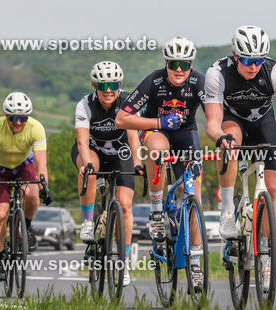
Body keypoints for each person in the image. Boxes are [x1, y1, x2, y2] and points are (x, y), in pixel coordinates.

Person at [204, 25, 276, 293]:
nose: (254, 66)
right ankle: (228, 208)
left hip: (263, 122)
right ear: (234, 55)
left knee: (273, 189)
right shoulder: (218, 73)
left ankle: (266, 256)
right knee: (230, 142)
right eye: (248, 60)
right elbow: (212, 123)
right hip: (232, 120)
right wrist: (222, 138)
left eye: (259, 60)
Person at [114, 37, 207, 290]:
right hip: (157, 131)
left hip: (187, 133)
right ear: (166, 64)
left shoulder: (198, 82)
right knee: (156, 150)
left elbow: (214, 115)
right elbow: (122, 119)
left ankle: (196, 262)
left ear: (191, 65)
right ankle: (156, 210)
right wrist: (158, 123)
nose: (179, 69)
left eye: (185, 64)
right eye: (174, 64)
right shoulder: (154, 81)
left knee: (193, 196)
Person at [73, 61, 144, 287]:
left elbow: (134, 138)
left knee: (124, 205)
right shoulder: (84, 105)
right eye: (103, 85)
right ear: (95, 86)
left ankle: (123, 264)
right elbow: (82, 142)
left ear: (119, 84)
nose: (108, 90)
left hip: (120, 152)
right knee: (90, 169)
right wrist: (87, 164)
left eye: (113, 84)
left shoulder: (128, 102)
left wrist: (138, 162)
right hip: (92, 149)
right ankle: (86, 221)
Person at [0, 91, 52, 283]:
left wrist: (44, 185)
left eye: (23, 118)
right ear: (6, 116)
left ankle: (27, 226)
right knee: (1, 214)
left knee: (32, 194)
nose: (19, 122)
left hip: (24, 165)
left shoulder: (36, 127)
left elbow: (40, 163)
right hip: (0, 169)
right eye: (14, 118)